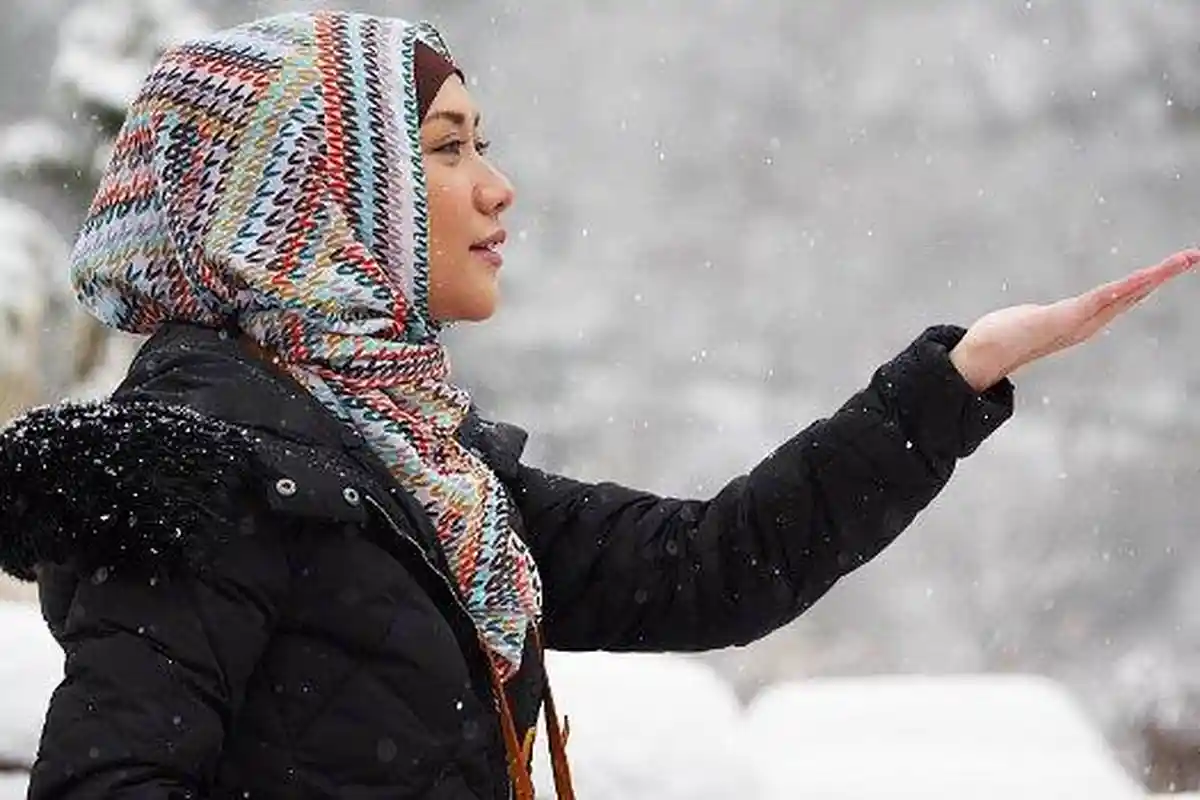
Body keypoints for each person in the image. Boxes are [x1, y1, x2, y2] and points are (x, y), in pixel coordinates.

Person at [0, 10, 1194, 800]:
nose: (499, 184)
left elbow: (707, 565)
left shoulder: (420, 476)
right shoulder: (198, 477)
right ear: (318, 196)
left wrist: (950, 381)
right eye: (449, 146)